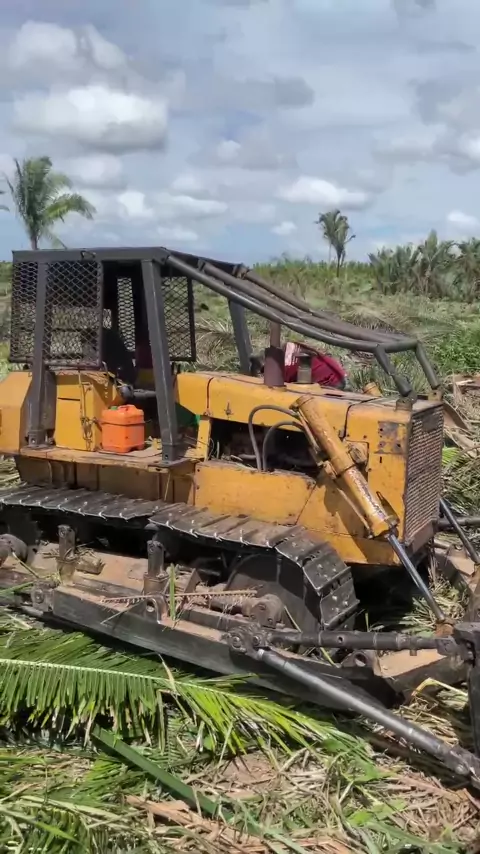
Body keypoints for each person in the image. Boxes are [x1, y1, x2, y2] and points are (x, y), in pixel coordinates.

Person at [250, 341, 347, 390]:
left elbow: (280, 389)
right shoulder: (288, 349)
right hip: (337, 374)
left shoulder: (283, 367)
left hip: (331, 381)